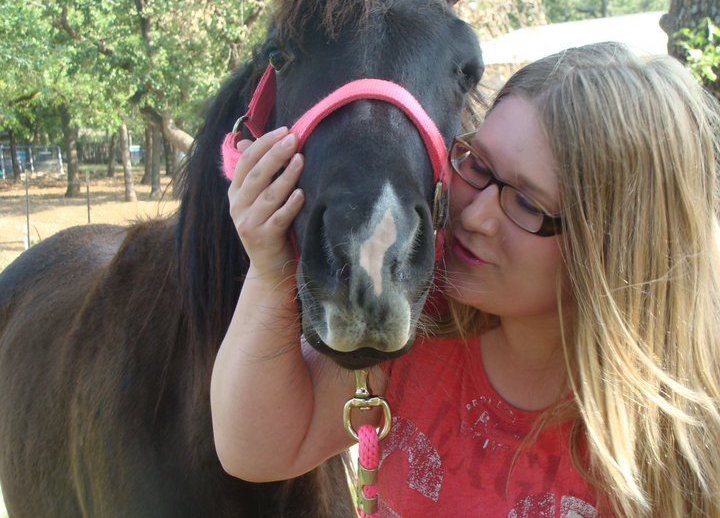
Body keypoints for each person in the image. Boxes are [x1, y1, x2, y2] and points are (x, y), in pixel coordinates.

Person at [210, 41, 720, 517]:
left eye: (526, 202)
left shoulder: (681, 448)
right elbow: (256, 449)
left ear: (617, 248)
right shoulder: (424, 329)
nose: (474, 216)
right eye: (476, 164)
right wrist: (271, 269)